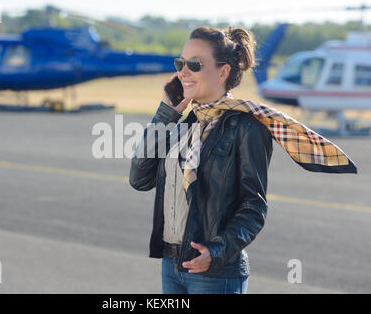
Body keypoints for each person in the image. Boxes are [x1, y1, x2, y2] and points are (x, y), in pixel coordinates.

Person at [129, 26, 357, 294]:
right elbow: (139, 179)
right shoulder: (180, 125)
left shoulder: (247, 127)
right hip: (171, 267)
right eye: (180, 63)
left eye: (194, 64)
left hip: (216, 273)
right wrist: (166, 112)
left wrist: (216, 251)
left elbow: (253, 207)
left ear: (223, 72)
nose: (183, 72)